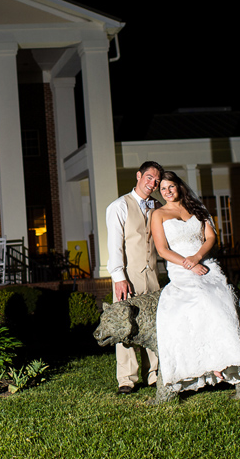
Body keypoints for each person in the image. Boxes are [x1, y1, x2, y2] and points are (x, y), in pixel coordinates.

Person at [151, 170, 240, 394]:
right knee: (200, 298)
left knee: (222, 297)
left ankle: (230, 359)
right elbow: (162, 250)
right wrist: (189, 264)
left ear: (179, 187)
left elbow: (211, 238)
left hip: (207, 262)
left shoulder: (198, 209)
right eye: (163, 189)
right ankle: (211, 364)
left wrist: (198, 258)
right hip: (180, 268)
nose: (167, 192)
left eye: (171, 187)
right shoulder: (158, 214)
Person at [105, 160, 164, 394]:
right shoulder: (119, 206)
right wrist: (119, 276)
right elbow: (115, 245)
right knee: (125, 325)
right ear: (139, 176)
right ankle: (127, 379)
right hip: (128, 275)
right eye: (149, 177)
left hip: (152, 273)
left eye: (157, 180)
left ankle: (154, 373)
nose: (153, 183)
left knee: (153, 323)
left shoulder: (157, 206)